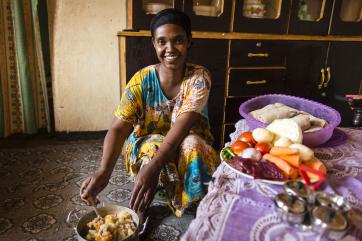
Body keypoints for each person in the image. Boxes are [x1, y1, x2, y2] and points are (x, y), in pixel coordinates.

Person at [80, 8, 220, 219]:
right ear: (154, 43)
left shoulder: (199, 77)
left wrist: (154, 167)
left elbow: (181, 128)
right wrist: (104, 171)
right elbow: (119, 128)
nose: (170, 48)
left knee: (192, 144)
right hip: (149, 146)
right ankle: (143, 206)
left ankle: (194, 205)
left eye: (178, 40)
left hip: (184, 144)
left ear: (189, 41)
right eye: (162, 41)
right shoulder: (142, 80)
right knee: (152, 147)